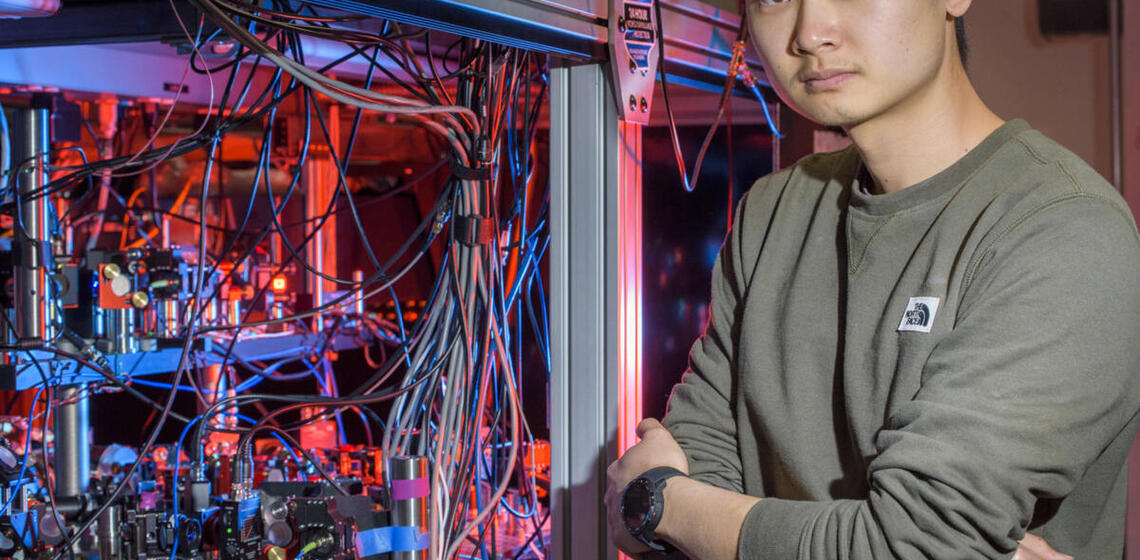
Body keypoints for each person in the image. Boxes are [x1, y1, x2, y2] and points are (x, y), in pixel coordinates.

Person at [605, 0, 1140, 559]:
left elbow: (909, 544)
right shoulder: (772, 210)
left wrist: (668, 507)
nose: (810, 33)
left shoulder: (1065, 229)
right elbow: (702, 453)